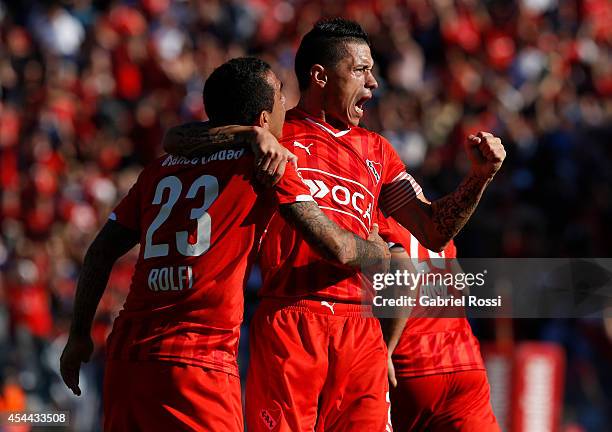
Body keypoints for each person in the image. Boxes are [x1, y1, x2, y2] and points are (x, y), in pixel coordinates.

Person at [164, 18, 505, 432]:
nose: (374, 82)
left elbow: (434, 231)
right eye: (361, 70)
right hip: (291, 319)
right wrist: (246, 136)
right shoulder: (276, 131)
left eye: (373, 70)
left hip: (360, 331)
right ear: (320, 76)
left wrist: (479, 176)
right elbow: (177, 139)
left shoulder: (377, 150)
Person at [59, 57, 390, 431]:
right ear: (264, 119)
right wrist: (378, 253)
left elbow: (101, 251)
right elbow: (336, 247)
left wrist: (78, 335)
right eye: (281, 98)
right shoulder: (266, 164)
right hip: (199, 359)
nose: (287, 106)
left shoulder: (160, 168)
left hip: (129, 357)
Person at [378, 213, 501, 431]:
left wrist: (386, 350)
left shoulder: (374, 217)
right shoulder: (430, 218)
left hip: (411, 364)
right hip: (464, 361)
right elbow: (463, 286)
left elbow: (405, 280)